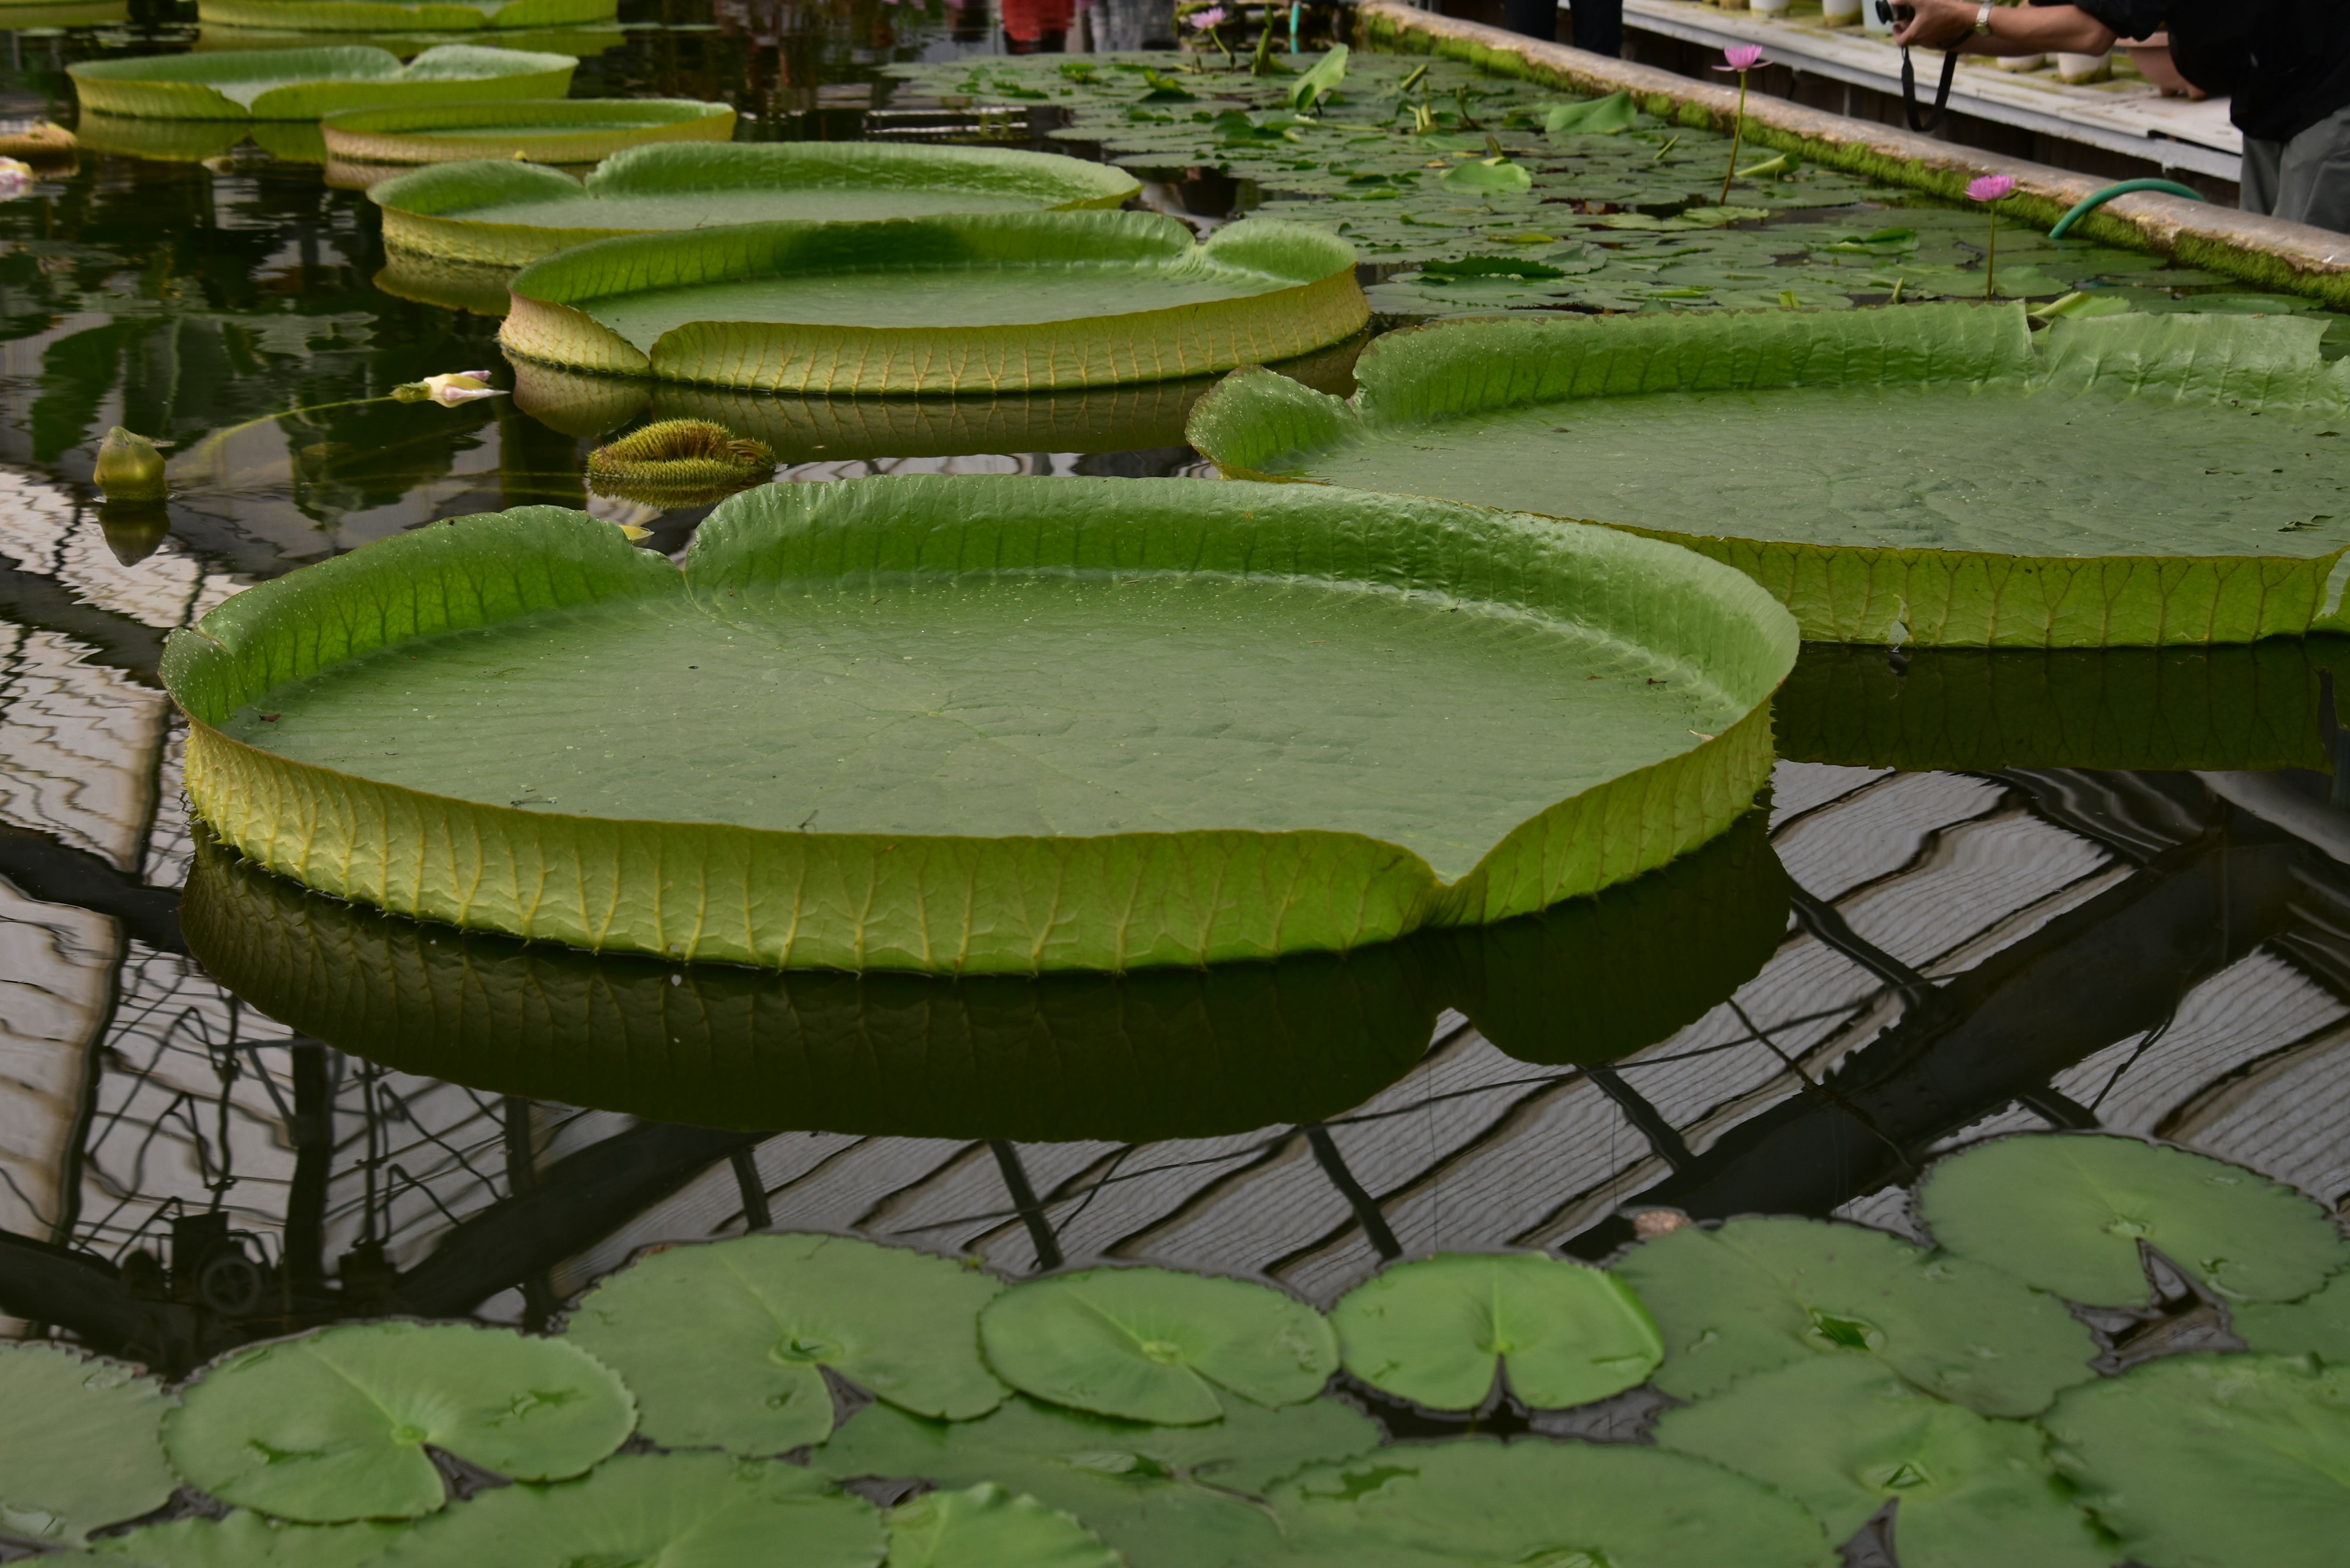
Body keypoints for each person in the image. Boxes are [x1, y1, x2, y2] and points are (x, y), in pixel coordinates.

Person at [1890, 1, 2350, 233]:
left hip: (2332, 81)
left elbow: (2090, 32)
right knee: (2265, 273)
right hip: (2274, 84)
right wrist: (1942, 30)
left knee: (2304, 286)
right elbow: (2052, 20)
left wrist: (1970, 15)